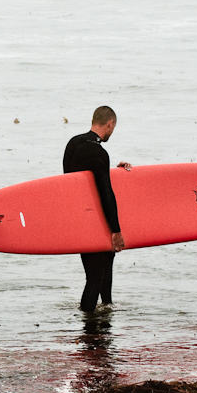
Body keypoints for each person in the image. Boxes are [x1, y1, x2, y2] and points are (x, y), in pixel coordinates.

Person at [62, 106, 133, 313]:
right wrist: (116, 230)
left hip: (79, 219)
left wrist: (113, 172)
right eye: (113, 127)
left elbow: (82, 180)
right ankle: (89, 328)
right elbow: (105, 192)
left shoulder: (73, 143)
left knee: (102, 267)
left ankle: (106, 311)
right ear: (110, 124)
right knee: (95, 277)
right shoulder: (99, 152)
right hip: (97, 220)